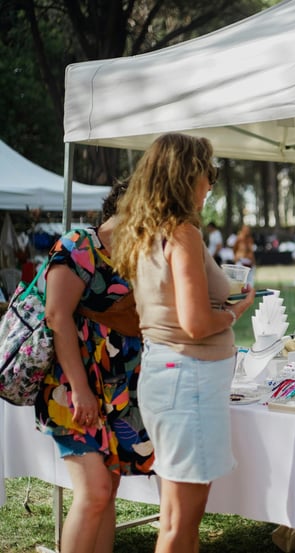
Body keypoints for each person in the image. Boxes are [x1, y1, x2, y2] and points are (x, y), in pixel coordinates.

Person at [111, 133, 256, 553]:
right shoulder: (182, 233)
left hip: (166, 372)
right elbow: (194, 323)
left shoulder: (145, 231)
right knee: (181, 520)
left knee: (175, 517)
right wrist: (233, 313)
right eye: (208, 174)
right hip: (187, 378)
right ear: (187, 175)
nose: (211, 184)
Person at [35, 180, 154, 553]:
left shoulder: (137, 255)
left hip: (118, 389)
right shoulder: (78, 245)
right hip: (73, 386)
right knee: (95, 491)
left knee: (108, 490)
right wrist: (81, 390)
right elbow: (57, 316)